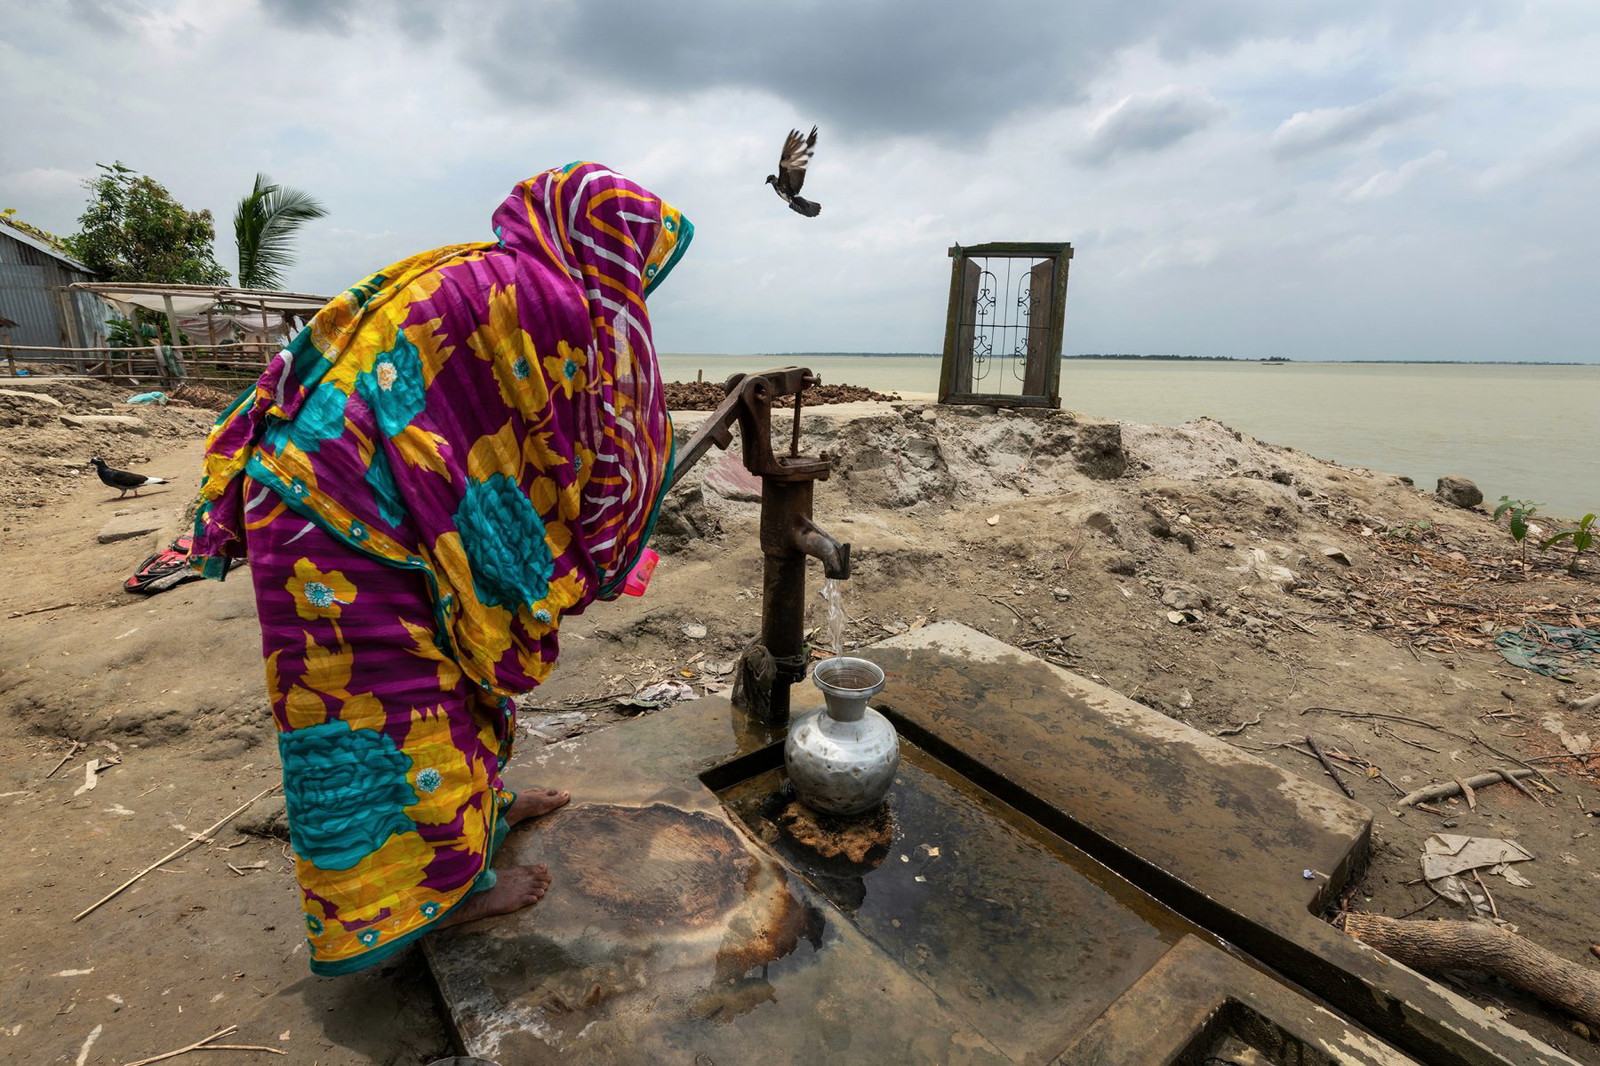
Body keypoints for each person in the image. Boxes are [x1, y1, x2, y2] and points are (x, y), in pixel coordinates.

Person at [189, 163, 692, 975]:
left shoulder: (483, 269)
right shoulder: (546, 303)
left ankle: (482, 815)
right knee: (394, 705)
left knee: (461, 673)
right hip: (339, 518)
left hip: (353, 494)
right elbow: (564, 452)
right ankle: (443, 899)